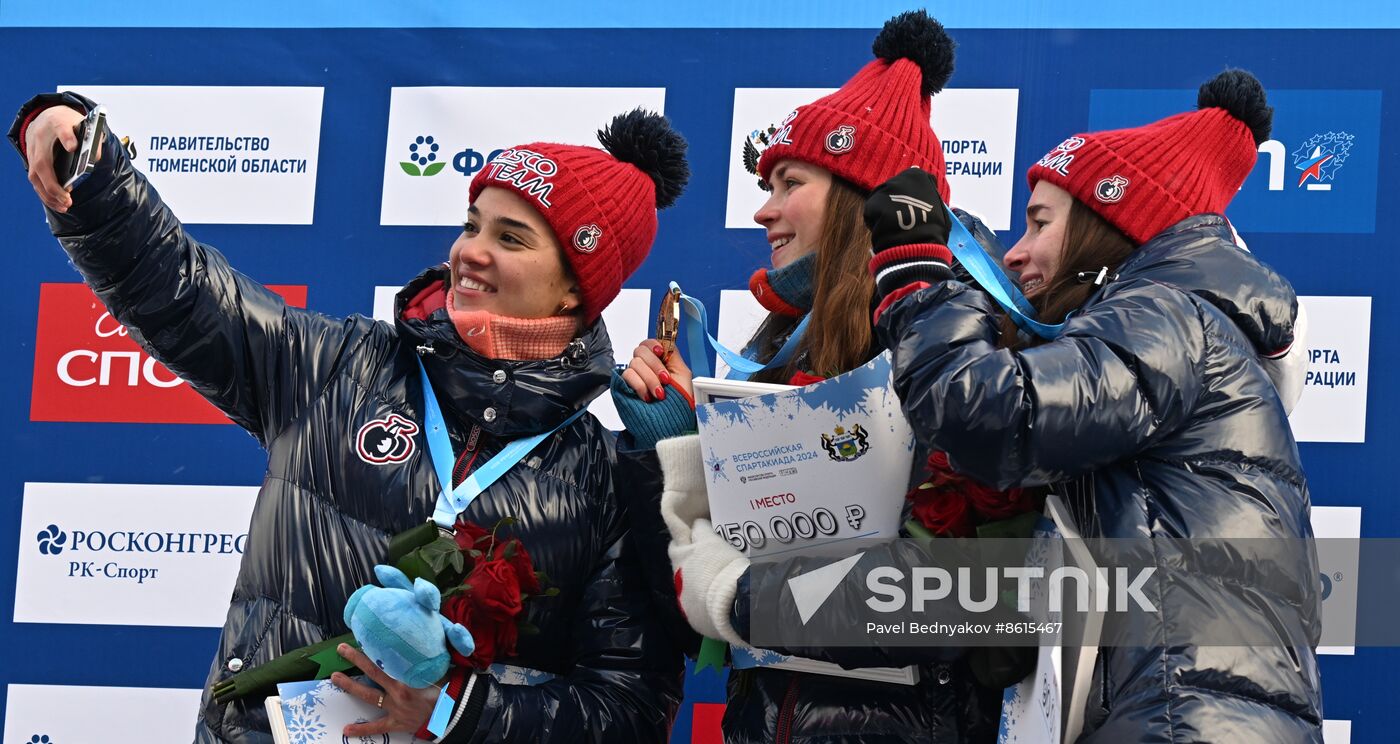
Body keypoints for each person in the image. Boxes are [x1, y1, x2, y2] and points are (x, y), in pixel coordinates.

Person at [12, 94, 691, 743]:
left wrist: (460, 713)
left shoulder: (600, 478)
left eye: (510, 238)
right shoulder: (340, 366)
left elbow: (627, 708)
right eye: (471, 224)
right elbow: (182, 291)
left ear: (577, 284)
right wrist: (92, 169)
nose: (469, 252)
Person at [861, 69, 1323, 741]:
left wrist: (919, 281)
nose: (1016, 254)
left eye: (1040, 223)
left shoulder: (1166, 317)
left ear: (1111, 225)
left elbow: (991, 411)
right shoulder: (1188, 328)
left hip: (1180, 722)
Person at [611, 11, 1011, 742]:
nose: (764, 209)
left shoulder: (960, 338)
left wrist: (741, 599)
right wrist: (669, 453)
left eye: (788, 181)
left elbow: (965, 597)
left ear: (867, 198)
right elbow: (686, 605)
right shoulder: (781, 347)